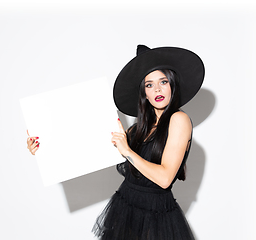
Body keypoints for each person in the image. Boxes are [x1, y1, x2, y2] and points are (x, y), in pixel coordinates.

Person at [27, 45, 205, 240]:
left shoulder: (179, 120)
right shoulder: (139, 128)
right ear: (144, 93)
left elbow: (164, 179)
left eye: (163, 81)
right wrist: (44, 147)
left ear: (172, 84)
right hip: (126, 206)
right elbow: (88, 144)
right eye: (149, 85)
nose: (157, 89)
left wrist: (127, 151)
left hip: (156, 217)